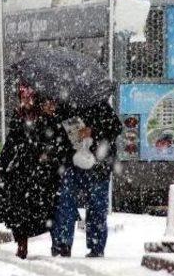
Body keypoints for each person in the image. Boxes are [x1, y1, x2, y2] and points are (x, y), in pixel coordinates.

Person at [0, 82, 72, 259]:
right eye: (23, 98)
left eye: (29, 97)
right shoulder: (18, 116)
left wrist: (48, 153)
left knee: (49, 207)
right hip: (23, 169)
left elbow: (57, 141)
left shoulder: (46, 117)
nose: (26, 101)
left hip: (43, 170)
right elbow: (11, 143)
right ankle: (22, 245)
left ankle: (59, 245)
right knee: (18, 207)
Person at [51, 101, 122, 258]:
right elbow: (55, 134)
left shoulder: (101, 107)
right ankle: (64, 244)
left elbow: (116, 128)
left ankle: (94, 246)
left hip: (97, 166)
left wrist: (93, 132)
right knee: (65, 202)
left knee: (95, 206)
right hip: (72, 163)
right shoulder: (65, 106)